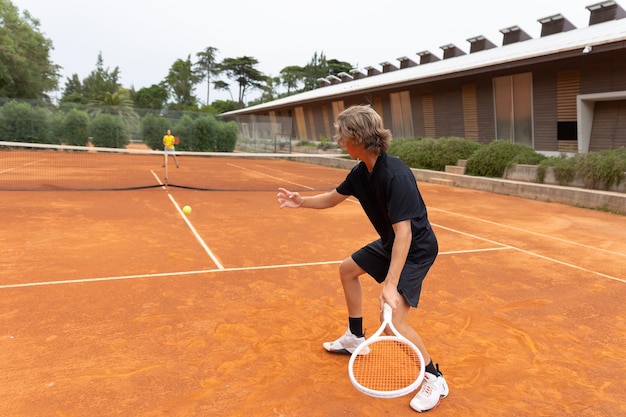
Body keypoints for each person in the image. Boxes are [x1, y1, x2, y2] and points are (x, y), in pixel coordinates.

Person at [276, 105, 448, 412]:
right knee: (347, 270)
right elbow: (332, 198)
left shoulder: (395, 175)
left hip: (416, 248)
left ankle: (434, 378)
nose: (339, 139)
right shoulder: (360, 173)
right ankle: (355, 336)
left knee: (394, 321)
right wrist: (301, 202)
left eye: (342, 134)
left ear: (357, 138)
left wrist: (390, 285)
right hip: (392, 242)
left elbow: (405, 235)